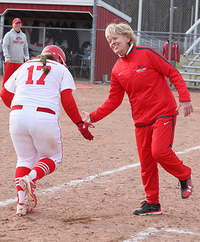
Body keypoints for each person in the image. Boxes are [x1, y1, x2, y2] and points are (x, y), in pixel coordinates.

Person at [83, 23, 193, 216]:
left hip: (163, 112)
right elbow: (113, 100)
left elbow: (172, 73)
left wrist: (184, 98)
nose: (112, 42)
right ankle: (152, 204)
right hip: (141, 121)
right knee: (146, 163)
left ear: (127, 37)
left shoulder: (147, 53)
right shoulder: (117, 69)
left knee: (159, 151)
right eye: (109, 40)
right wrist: (93, 116)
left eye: (115, 38)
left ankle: (185, 174)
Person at [0, 45, 94, 216]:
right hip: (44, 116)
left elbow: (5, 94)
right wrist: (80, 124)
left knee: (24, 158)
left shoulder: (25, 65)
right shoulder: (61, 69)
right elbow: (67, 101)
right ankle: (30, 178)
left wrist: (20, 110)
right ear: (60, 59)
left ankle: (21, 203)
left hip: (17, 116)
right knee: (53, 157)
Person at [2, 18, 29, 87]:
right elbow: (5, 46)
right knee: (8, 79)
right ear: (13, 24)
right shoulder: (8, 35)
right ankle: (4, 96)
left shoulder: (23, 36)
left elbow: (25, 47)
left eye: (19, 23)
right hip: (10, 61)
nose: (18, 25)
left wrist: (27, 57)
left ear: (21, 25)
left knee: (18, 79)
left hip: (20, 62)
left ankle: (16, 95)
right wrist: (7, 56)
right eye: (16, 23)